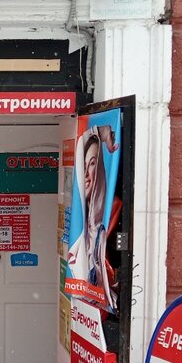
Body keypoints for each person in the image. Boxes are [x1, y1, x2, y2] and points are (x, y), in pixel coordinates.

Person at [69, 124, 119, 311]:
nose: (86, 174)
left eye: (92, 164)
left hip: (103, 307)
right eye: (83, 166)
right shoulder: (81, 217)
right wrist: (100, 132)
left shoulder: (112, 210)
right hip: (89, 306)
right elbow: (82, 138)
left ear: (100, 168)